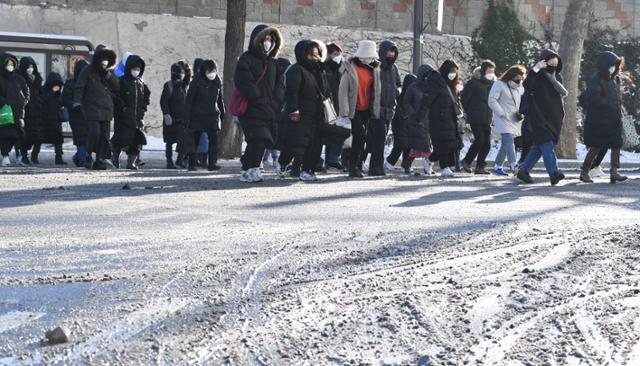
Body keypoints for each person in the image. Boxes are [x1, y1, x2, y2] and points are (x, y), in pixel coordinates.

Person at [235, 24, 283, 183]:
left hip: (268, 109)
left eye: (270, 39)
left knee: (261, 140)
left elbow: (279, 85)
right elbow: (244, 82)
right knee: (258, 139)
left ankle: (246, 168)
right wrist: (259, 98)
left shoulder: (273, 63)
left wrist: (275, 103)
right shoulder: (246, 59)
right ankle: (253, 169)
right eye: (264, 39)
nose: (267, 42)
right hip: (251, 108)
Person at [516, 49, 567, 186]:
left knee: (538, 147)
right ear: (544, 61)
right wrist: (536, 69)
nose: (553, 65)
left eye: (556, 63)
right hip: (538, 117)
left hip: (553, 118)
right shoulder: (537, 76)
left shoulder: (557, 78)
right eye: (550, 62)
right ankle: (553, 173)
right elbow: (527, 85)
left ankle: (523, 170)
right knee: (547, 144)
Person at [281, 40, 329, 182]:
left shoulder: (320, 70)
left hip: (317, 113)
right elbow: (292, 93)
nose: (314, 57)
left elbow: (325, 91)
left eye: (316, 54)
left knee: (316, 144)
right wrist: (294, 110)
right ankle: (284, 162)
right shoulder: (296, 70)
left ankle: (308, 170)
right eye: (311, 54)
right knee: (299, 143)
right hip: (302, 113)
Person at [579, 51, 628, 184]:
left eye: (616, 65)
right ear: (605, 65)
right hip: (600, 121)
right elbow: (593, 100)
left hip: (613, 120)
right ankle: (584, 172)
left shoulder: (614, 79)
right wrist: (608, 103)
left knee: (616, 144)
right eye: (613, 65)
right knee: (596, 146)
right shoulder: (596, 80)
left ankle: (614, 171)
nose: (615, 68)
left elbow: (617, 98)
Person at [337, 40, 381, 178]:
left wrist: (376, 108)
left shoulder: (374, 69)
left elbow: (376, 90)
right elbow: (343, 90)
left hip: (367, 109)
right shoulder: (350, 68)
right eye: (368, 56)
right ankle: (353, 165)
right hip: (353, 108)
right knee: (359, 135)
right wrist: (344, 111)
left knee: (365, 138)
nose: (370, 59)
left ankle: (357, 164)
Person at [73, 46, 119, 170]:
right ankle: (88, 155)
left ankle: (100, 159)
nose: (104, 61)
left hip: (107, 109)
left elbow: (117, 87)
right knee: (95, 133)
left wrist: (108, 75)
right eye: (102, 58)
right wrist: (77, 101)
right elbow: (79, 87)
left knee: (105, 136)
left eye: (107, 59)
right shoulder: (87, 70)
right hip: (92, 108)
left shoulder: (109, 73)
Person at [367, 40, 401, 176]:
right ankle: (375, 167)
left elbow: (398, 83)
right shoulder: (375, 66)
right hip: (376, 108)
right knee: (379, 137)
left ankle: (374, 166)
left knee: (379, 139)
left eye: (393, 52)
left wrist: (396, 92)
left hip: (389, 109)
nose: (391, 54)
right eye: (389, 51)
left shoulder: (394, 69)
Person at [185, 59, 225, 171]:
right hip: (197, 115)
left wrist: (222, 112)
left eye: (213, 71)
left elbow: (220, 99)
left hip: (212, 114)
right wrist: (187, 116)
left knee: (213, 139)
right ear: (204, 71)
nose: (211, 73)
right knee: (195, 139)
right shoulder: (196, 82)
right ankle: (191, 163)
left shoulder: (217, 81)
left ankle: (212, 163)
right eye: (209, 71)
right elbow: (189, 101)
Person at [426, 60, 464, 177]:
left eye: (455, 71)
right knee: (443, 144)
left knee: (452, 143)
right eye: (451, 71)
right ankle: (445, 167)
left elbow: (456, 101)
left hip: (451, 118)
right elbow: (427, 100)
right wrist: (419, 116)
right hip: (438, 118)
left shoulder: (453, 85)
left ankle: (429, 159)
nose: (453, 73)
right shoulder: (436, 83)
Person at [111, 55, 150, 170]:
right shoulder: (121, 81)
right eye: (134, 69)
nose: (136, 71)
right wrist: (122, 106)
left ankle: (131, 162)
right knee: (121, 139)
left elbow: (146, 96)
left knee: (136, 141)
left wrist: (143, 108)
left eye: (138, 69)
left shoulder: (140, 83)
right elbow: (115, 96)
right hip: (123, 117)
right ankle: (115, 156)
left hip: (137, 118)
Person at [488, 64, 526, 176]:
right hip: (502, 117)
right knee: (509, 139)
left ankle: (497, 166)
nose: (519, 81)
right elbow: (491, 100)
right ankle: (514, 165)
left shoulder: (520, 87)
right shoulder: (499, 84)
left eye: (521, 79)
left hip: (514, 118)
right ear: (511, 76)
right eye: (517, 78)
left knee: (506, 143)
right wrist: (501, 113)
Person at [460, 60, 495, 174]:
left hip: (487, 118)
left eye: (492, 71)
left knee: (487, 143)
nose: (491, 73)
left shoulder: (492, 83)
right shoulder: (473, 83)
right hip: (475, 117)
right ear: (483, 70)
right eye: (489, 71)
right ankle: (466, 161)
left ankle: (480, 166)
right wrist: (469, 111)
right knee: (479, 140)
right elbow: (464, 98)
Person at [405, 65, 437, 175]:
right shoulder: (413, 87)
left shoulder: (431, 88)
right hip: (416, 120)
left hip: (429, 120)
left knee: (418, 147)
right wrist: (413, 113)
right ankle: (427, 167)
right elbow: (406, 102)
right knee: (425, 144)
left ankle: (407, 164)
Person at [0, 53, 29, 167]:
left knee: (19, 135)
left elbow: (26, 92)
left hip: (18, 112)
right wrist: (3, 102)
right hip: (5, 112)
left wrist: (24, 101)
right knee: (6, 134)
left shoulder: (19, 78)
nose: (10, 66)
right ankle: (5, 156)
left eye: (12, 64)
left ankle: (19, 156)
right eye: (8, 64)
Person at [323, 43, 348, 171]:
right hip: (327, 104)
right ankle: (319, 160)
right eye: (335, 54)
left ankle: (333, 159)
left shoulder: (344, 68)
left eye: (339, 53)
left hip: (340, 105)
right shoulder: (324, 68)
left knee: (338, 133)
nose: (338, 56)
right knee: (324, 133)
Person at [387, 74, 417, 174]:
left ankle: (402, 164)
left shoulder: (401, 95)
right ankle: (391, 162)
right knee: (402, 145)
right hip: (402, 124)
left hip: (401, 124)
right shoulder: (405, 96)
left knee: (404, 145)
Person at [62, 59, 89, 167]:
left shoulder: (89, 82)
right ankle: (82, 159)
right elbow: (65, 98)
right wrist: (74, 105)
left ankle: (80, 157)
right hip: (76, 115)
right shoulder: (71, 82)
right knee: (81, 138)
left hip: (87, 114)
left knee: (86, 138)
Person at [160, 63, 188, 169]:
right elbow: (163, 101)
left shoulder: (184, 86)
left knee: (183, 140)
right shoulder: (169, 85)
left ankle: (180, 160)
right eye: (178, 73)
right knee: (169, 142)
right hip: (170, 119)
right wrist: (167, 114)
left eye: (181, 73)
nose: (179, 75)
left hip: (181, 119)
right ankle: (169, 161)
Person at [17, 57, 43, 165]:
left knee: (36, 136)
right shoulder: (19, 78)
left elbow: (41, 93)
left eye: (32, 66)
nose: (30, 69)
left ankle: (30, 155)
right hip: (25, 111)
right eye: (28, 67)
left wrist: (40, 104)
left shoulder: (37, 78)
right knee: (24, 136)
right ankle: (23, 156)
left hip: (36, 112)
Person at [40, 72, 66, 164]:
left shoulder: (58, 93)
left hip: (56, 119)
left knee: (58, 139)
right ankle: (34, 156)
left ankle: (59, 158)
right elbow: (44, 99)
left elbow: (61, 101)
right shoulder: (44, 89)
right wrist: (52, 91)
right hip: (45, 118)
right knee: (39, 139)